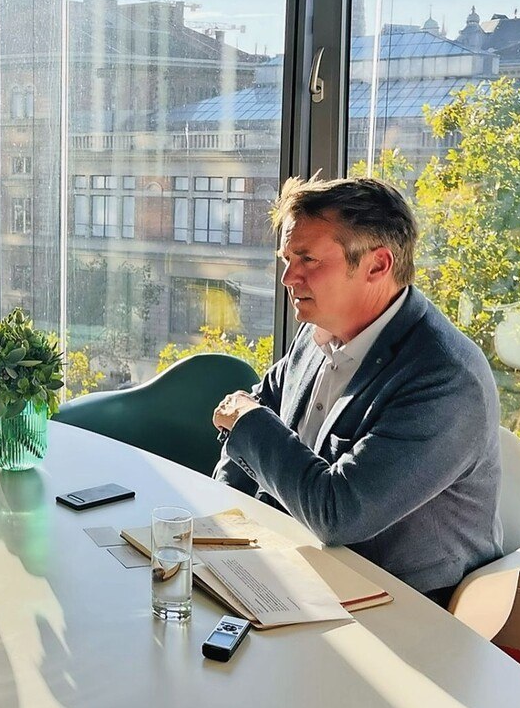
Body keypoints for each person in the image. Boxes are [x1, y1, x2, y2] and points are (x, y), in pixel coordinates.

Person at [212, 176, 502, 605]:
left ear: (377, 266)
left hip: (401, 604)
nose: (289, 277)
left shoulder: (445, 379)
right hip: (298, 573)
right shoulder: (319, 333)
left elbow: (338, 514)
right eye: (287, 258)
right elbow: (251, 431)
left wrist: (248, 423)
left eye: (308, 259)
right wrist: (221, 528)